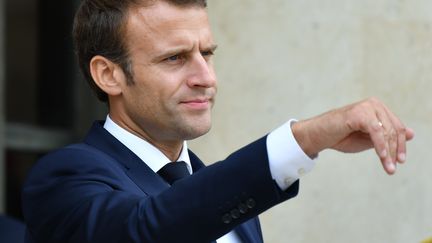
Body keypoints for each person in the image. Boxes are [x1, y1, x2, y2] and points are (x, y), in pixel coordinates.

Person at [21, 0, 415, 242]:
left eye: (206, 54)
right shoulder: (62, 178)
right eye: (174, 58)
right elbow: (146, 230)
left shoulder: (219, 188)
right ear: (109, 75)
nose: (205, 77)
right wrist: (301, 140)